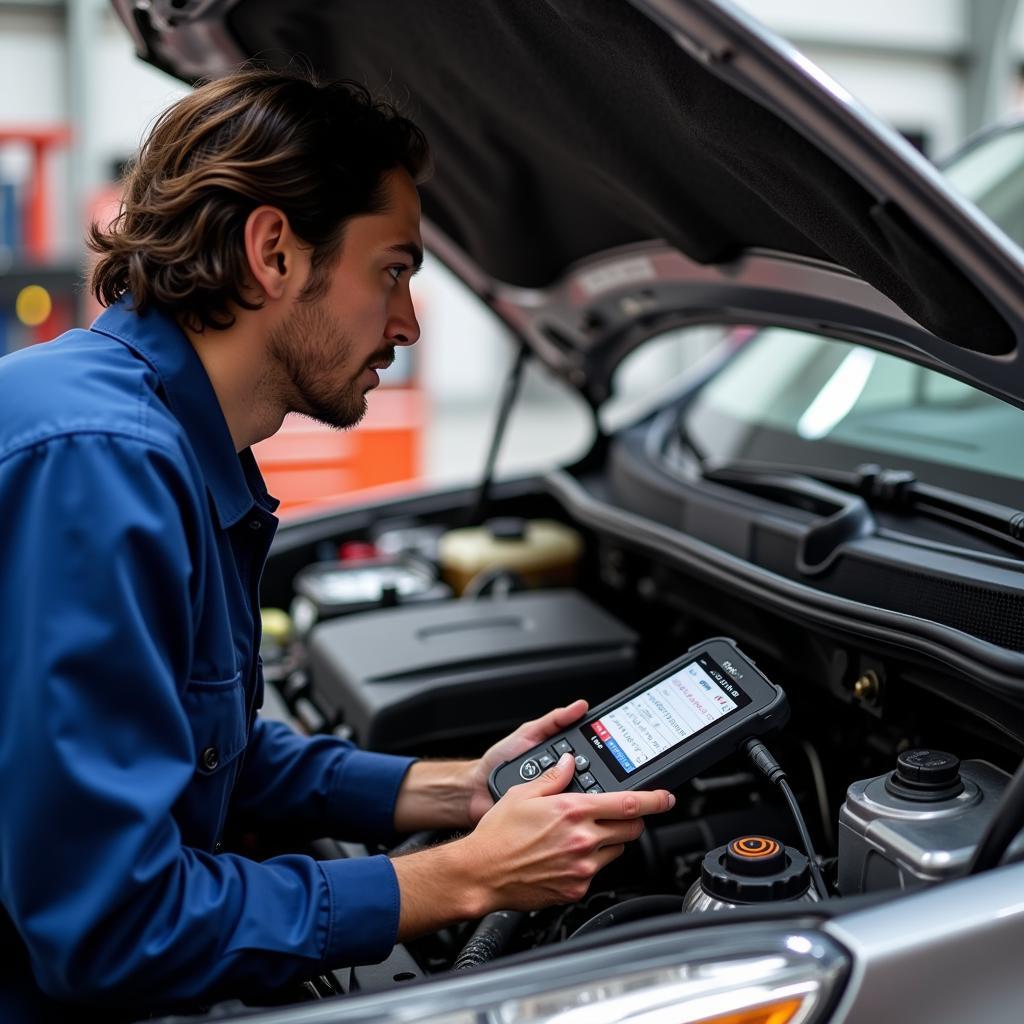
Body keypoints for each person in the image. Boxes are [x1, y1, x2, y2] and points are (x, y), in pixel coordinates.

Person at [0, 69, 674, 1020]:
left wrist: (456, 793)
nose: (406, 323)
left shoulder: (168, 446)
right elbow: (113, 928)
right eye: (394, 270)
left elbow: (199, 753)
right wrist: (462, 882)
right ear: (273, 251)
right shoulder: (102, 467)